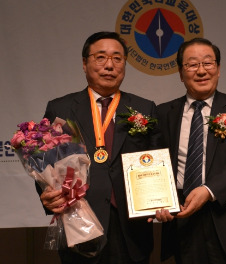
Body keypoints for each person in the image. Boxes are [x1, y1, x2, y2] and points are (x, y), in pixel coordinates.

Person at [37, 31, 161, 264]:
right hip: (80, 221)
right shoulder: (61, 108)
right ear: (85, 64)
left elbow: (156, 162)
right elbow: (45, 165)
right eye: (101, 57)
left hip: (132, 227)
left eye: (117, 58)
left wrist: (161, 202)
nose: (109, 65)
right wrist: (47, 194)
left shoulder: (145, 108)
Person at [155, 37, 226, 264]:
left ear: (218, 69)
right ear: (180, 72)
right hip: (183, 217)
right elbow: (155, 162)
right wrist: (159, 202)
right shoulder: (164, 113)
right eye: (192, 64)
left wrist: (209, 190)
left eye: (208, 63)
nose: (202, 71)